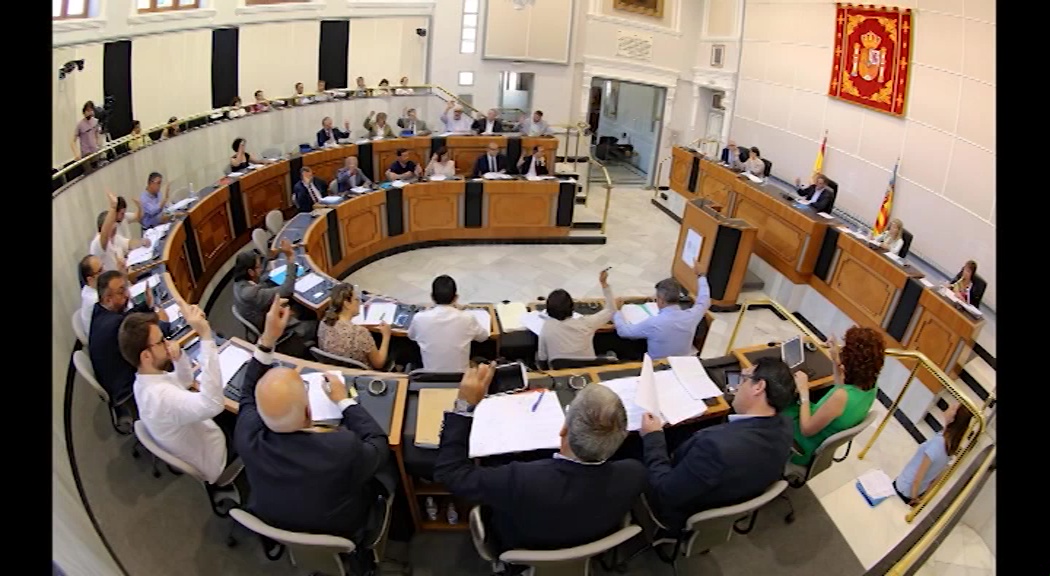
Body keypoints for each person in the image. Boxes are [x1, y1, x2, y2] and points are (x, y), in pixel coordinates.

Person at [235, 296, 395, 550]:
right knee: (387, 475)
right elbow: (378, 444)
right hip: (341, 528)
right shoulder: (340, 447)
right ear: (309, 412)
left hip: (275, 520)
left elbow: (246, 393)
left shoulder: (246, 433)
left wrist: (267, 339)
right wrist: (345, 402)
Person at [435, 365, 646, 556]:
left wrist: (464, 407)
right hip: (591, 537)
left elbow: (451, 473)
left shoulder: (518, 480)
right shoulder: (634, 473)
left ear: (563, 429)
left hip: (520, 543)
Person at [639, 357, 795, 532]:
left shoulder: (714, 448)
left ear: (759, 387)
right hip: (732, 491)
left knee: (633, 457)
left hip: (680, 510)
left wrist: (652, 437)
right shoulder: (786, 426)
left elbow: (664, 493)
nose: (736, 387)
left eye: (743, 380)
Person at [123, 295, 232, 484]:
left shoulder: (144, 379)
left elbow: (185, 381)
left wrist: (179, 357)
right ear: (146, 356)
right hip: (216, 456)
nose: (167, 343)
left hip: (202, 430)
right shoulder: (161, 397)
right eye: (160, 342)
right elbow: (213, 405)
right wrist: (205, 336)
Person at [785, 326, 884, 466]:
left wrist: (804, 391)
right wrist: (835, 359)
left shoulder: (840, 397)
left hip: (801, 443)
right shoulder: (872, 385)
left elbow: (806, 430)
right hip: (820, 433)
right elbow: (841, 385)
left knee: (773, 400)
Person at [89, 270, 171, 406]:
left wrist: (146, 305)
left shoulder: (100, 310)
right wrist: (163, 324)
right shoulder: (115, 325)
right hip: (129, 388)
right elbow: (145, 345)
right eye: (121, 292)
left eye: (126, 288)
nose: (128, 295)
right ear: (108, 299)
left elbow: (126, 317)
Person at [232, 240, 317, 353]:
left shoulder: (239, 284)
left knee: (302, 308)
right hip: (283, 333)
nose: (261, 269)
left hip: (268, 315)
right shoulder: (250, 293)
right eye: (258, 267)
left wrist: (279, 251)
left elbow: (262, 278)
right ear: (250, 272)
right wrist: (290, 258)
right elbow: (286, 290)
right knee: (319, 323)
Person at [613, 263, 711, 359]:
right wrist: (701, 275)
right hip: (682, 364)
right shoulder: (692, 316)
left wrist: (616, 311)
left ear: (661, 300)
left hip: (657, 368)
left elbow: (623, 331)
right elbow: (704, 300)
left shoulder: (654, 323)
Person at [894, 404, 973, 506]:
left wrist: (914, 498)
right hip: (915, 489)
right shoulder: (950, 445)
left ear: (954, 418)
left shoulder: (938, 444)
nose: (949, 406)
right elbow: (936, 477)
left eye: (953, 408)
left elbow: (918, 478)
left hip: (905, 488)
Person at [407, 275, 490, 372]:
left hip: (430, 378)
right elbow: (483, 337)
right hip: (461, 378)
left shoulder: (419, 318)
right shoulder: (467, 318)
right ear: (456, 297)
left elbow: (411, 336)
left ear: (432, 297)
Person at [537, 269, 616, 363]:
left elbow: (542, 357)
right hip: (589, 369)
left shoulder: (546, 328)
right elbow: (611, 310)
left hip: (559, 372)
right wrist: (604, 284)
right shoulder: (586, 323)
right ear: (572, 307)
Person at [317, 284, 392, 370]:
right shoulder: (359, 332)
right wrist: (386, 336)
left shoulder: (324, 322)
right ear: (347, 304)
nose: (359, 302)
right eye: (356, 300)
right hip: (362, 374)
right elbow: (379, 363)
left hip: (335, 369)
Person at [91, 193, 149, 273]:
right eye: (112, 225)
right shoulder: (97, 243)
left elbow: (129, 243)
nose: (115, 228)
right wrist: (113, 207)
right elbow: (104, 233)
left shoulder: (115, 238)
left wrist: (142, 242)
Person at [72, 101, 102, 169]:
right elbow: (73, 141)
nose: (89, 112)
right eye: (88, 110)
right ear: (84, 112)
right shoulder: (80, 125)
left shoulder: (95, 121)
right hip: (86, 154)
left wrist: (98, 146)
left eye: (91, 110)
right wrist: (76, 153)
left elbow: (97, 135)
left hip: (95, 152)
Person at [78, 255, 103, 334]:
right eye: (100, 271)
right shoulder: (95, 300)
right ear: (90, 279)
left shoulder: (88, 288)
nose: (105, 272)